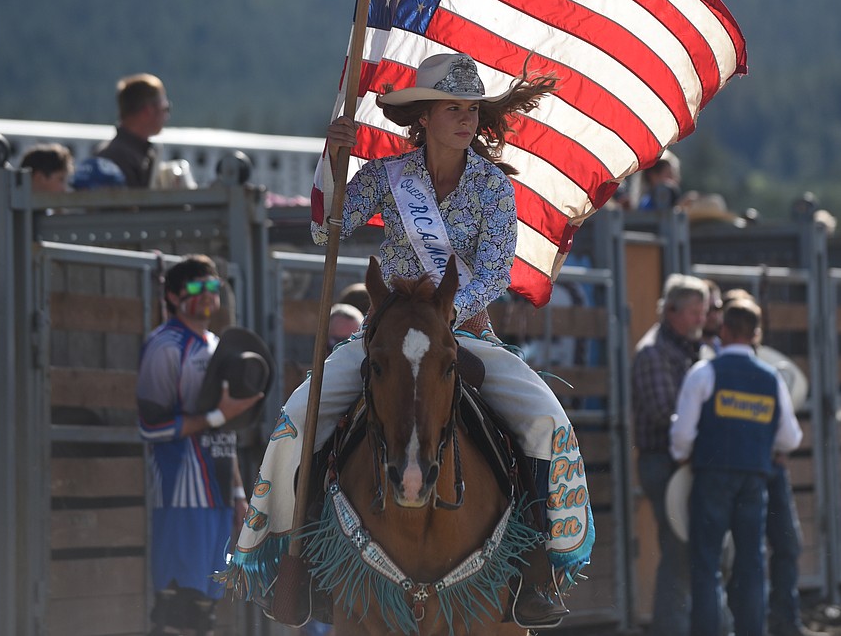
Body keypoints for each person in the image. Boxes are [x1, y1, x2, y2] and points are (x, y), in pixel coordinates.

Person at [224, 53, 593, 629]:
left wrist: (440, 320)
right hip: (386, 338)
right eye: (453, 108)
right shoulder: (385, 177)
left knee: (548, 420)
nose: (466, 119)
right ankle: (293, 564)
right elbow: (327, 227)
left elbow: (496, 273)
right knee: (299, 417)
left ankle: (539, 567)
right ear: (423, 115)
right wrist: (334, 157)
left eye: (471, 109)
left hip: (464, 333)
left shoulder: (494, 188)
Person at [136, 255, 264, 636]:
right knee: (178, 605)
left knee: (206, 606)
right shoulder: (164, 347)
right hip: (181, 491)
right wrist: (217, 416)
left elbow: (227, 430)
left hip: (217, 493)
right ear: (173, 296)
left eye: (213, 288)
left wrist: (240, 495)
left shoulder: (215, 345)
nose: (207, 296)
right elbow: (151, 426)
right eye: (196, 288)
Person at [671, 299, 803, 636]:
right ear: (756, 335)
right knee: (751, 564)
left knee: (707, 564)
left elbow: (682, 435)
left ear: (725, 330)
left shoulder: (705, 373)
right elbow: (790, 438)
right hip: (754, 479)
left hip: (711, 477)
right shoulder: (771, 379)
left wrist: (683, 454)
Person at [631, 273, 709, 636]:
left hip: (680, 459)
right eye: (694, 312)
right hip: (664, 461)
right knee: (679, 550)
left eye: (703, 312)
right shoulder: (654, 352)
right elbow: (665, 413)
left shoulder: (687, 348)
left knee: (686, 549)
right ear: (672, 311)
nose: (701, 320)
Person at [96, 73, 170, 187]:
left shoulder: (122, 153)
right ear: (148, 111)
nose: (167, 116)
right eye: (165, 108)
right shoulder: (116, 158)